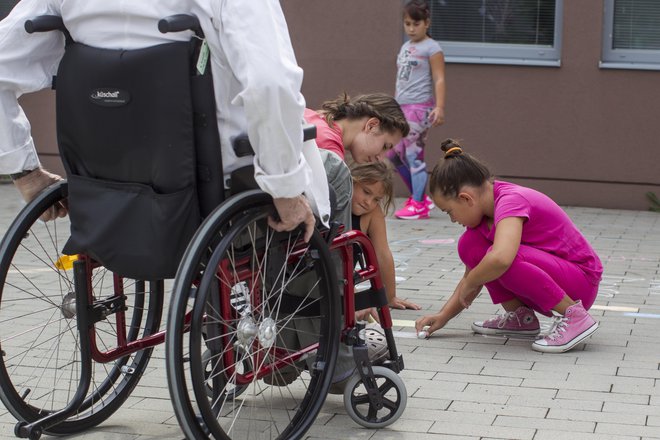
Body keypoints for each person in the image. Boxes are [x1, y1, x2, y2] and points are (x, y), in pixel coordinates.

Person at [0, 0, 328, 242]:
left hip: (103, 183)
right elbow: (270, 84)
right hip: (213, 180)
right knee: (334, 173)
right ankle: (344, 315)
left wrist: (25, 173)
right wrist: (284, 187)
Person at [415, 139, 602, 353]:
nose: (452, 219)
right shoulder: (485, 216)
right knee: (471, 245)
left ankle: (575, 317)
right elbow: (473, 275)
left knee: (500, 257)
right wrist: (443, 316)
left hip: (581, 283)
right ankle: (522, 318)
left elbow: (501, 259)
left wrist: (472, 281)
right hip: (558, 278)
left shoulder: (511, 201)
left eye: (449, 211)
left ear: (466, 198)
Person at [303, 92, 410, 227]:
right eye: (385, 146)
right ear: (371, 125)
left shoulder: (313, 117)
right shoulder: (329, 150)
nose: (380, 158)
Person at [389, 0, 446, 220]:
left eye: (416, 23)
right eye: (407, 23)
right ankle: (419, 196)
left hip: (420, 108)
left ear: (427, 23)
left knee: (414, 155)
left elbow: (439, 78)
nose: (411, 28)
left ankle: (419, 204)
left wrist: (439, 107)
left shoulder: (432, 48)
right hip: (401, 107)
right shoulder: (405, 47)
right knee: (392, 153)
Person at [350, 161, 420, 314]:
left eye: (376, 199)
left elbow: (382, 253)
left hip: (343, 282)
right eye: (366, 192)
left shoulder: (372, 213)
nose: (368, 202)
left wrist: (389, 297)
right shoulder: (332, 201)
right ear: (352, 181)